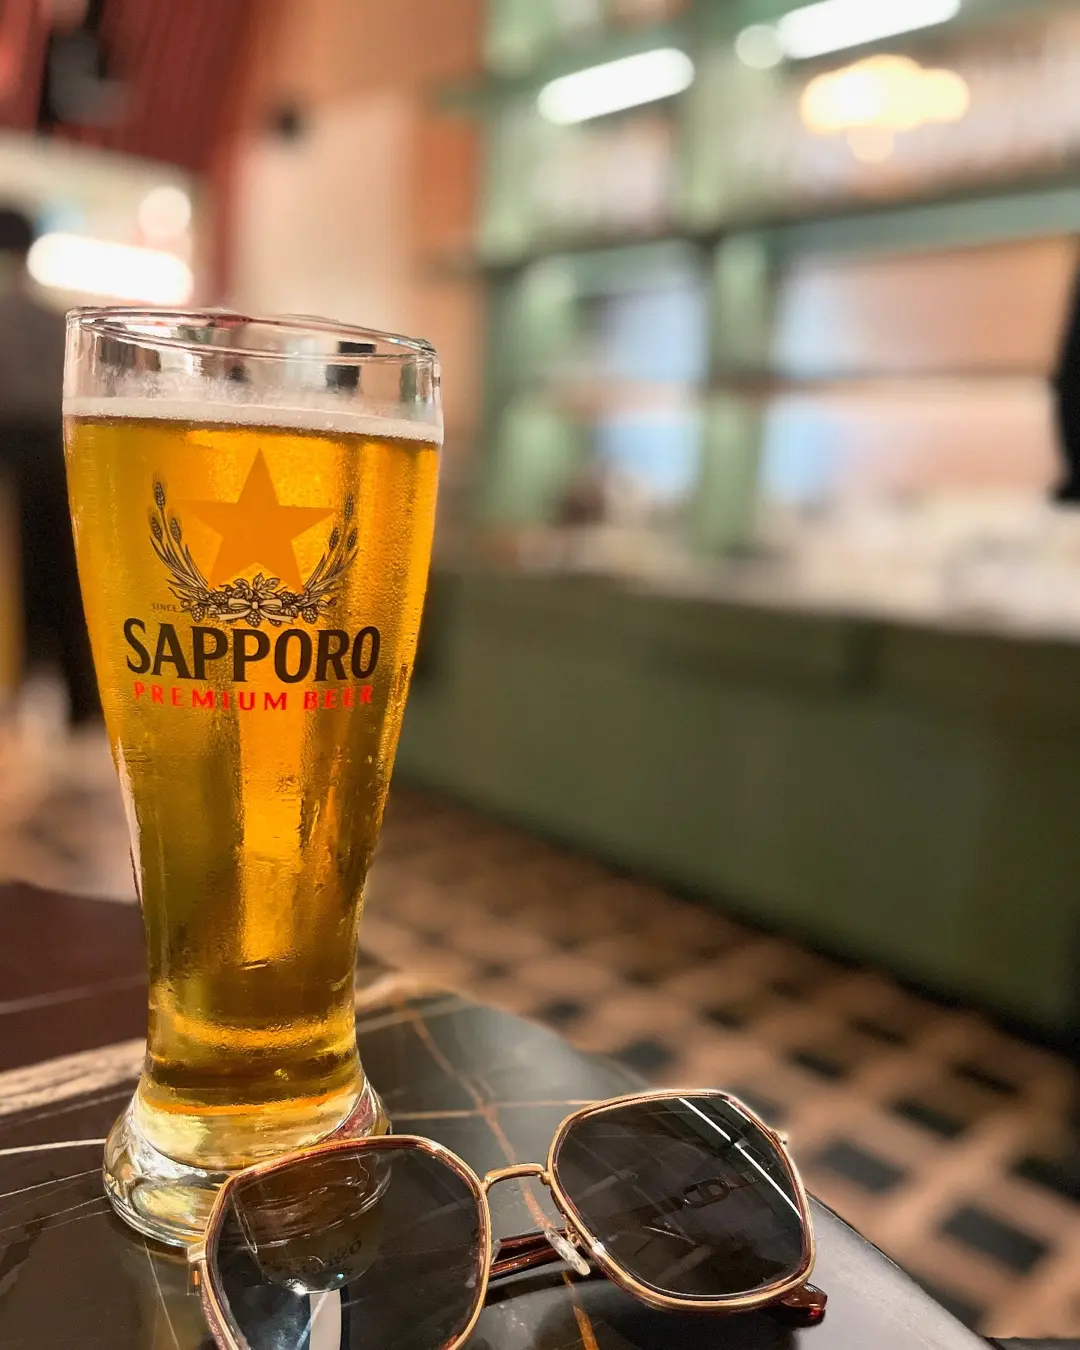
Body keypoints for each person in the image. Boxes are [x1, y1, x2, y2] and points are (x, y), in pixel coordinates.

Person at [0, 206, 99, 722]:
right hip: (64, 461)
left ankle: (15, 700)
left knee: (16, 588)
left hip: (13, 464)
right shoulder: (56, 321)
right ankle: (81, 707)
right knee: (67, 585)